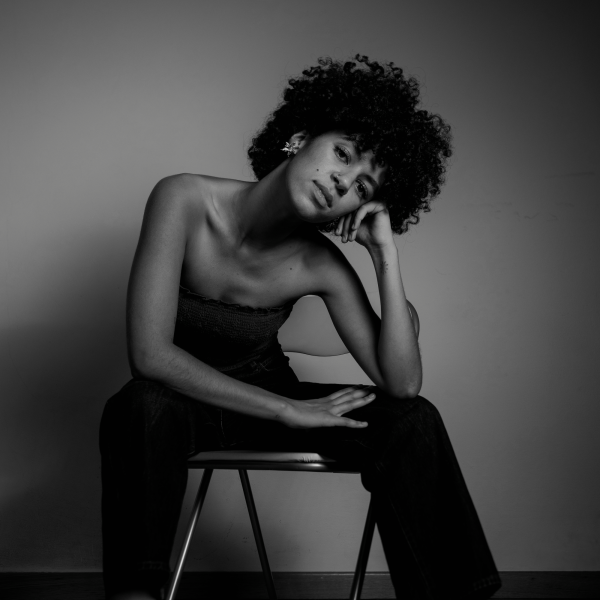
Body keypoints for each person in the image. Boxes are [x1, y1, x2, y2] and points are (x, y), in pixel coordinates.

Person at [99, 55, 501, 600]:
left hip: (270, 393)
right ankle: (135, 596)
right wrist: (287, 410)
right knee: (138, 403)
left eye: (363, 187)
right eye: (343, 154)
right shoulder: (183, 198)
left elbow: (403, 384)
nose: (342, 182)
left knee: (413, 419)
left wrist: (384, 255)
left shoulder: (321, 264)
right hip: (183, 404)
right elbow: (149, 355)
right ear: (300, 137)